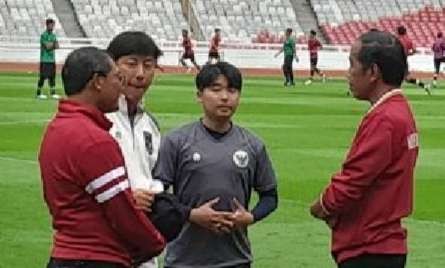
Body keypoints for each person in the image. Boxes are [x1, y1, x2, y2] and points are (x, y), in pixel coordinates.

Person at [39, 47, 165, 268]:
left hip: (64, 252)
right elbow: (122, 212)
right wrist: (155, 242)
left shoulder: (55, 129)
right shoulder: (96, 140)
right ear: (97, 82)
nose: (121, 86)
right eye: (117, 78)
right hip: (98, 256)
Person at [310, 30, 419, 268]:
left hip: (368, 245)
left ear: (373, 72)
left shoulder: (384, 119)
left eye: (352, 64)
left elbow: (353, 180)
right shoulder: (401, 111)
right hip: (384, 242)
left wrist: (322, 205)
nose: (348, 73)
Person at [155, 62, 278, 268]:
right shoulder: (177, 141)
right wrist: (192, 215)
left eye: (232, 90)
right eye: (215, 89)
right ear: (199, 95)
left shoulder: (252, 145)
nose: (225, 97)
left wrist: (250, 217)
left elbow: (270, 196)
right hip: (184, 261)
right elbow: (158, 195)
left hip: (236, 259)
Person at [105, 31, 164, 268]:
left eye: (148, 65)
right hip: (103, 244)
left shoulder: (150, 125)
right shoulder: (98, 119)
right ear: (111, 66)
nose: (140, 74)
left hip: (143, 245)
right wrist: (127, 198)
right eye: (131, 64)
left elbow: (153, 176)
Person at [396, 25, 431, 95]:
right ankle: (424, 86)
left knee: (393, 77)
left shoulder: (396, 40)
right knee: (407, 79)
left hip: (396, 61)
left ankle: (393, 93)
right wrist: (408, 54)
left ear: (398, 32)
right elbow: (414, 51)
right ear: (405, 32)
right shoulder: (408, 40)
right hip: (404, 61)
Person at [36, 18, 60, 99]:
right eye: (51, 25)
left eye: (53, 25)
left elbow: (57, 46)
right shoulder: (44, 35)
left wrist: (51, 45)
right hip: (45, 59)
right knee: (42, 77)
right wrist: (52, 44)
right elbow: (47, 46)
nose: (52, 27)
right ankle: (38, 93)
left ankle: (53, 93)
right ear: (47, 25)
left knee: (52, 77)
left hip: (52, 60)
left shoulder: (53, 35)